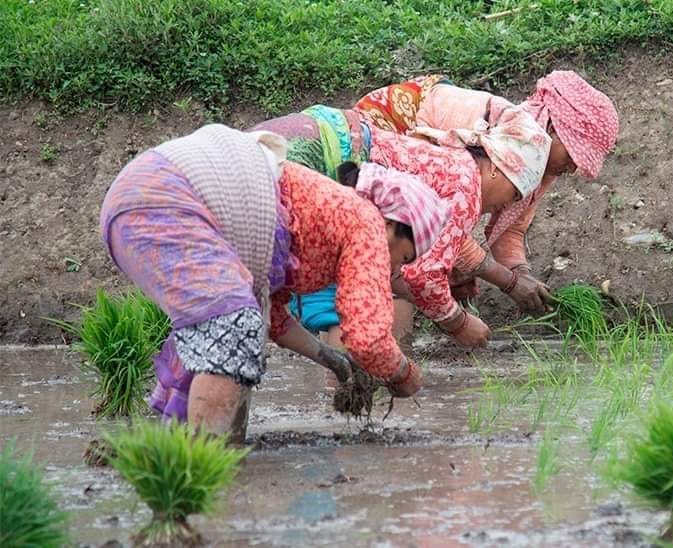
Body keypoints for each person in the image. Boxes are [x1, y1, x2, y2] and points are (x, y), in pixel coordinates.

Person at [99, 125, 448, 442]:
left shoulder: (310, 215)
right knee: (232, 326)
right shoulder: (366, 222)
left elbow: (271, 321)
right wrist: (405, 375)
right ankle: (201, 467)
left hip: (132, 198)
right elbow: (368, 338)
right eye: (403, 257)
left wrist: (333, 360)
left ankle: (179, 452)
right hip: (169, 199)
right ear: (392, 226)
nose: (393, 271)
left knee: (233, 326)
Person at [250, 103, 562, 348]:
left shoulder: (450, 164)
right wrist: (458, 323)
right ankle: (346, 398)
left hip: (304, 134)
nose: (505, 205)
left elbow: (427, 260)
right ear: (497, 168)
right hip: (318, 157)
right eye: (513, 194)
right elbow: (421, 275)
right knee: (358, 293)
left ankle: (344, 393)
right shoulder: (465, 189)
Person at [355, 70, 619, 302]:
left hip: (417, 187)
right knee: (382, 268)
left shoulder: (537, 165)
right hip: (379, 140)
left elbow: (512, 229)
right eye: (573, 155)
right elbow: (440, 222)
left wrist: (520, 275)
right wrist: (506, 281)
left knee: (419, 267)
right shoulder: (491, 124)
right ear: (552, 127)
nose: (573, 168)